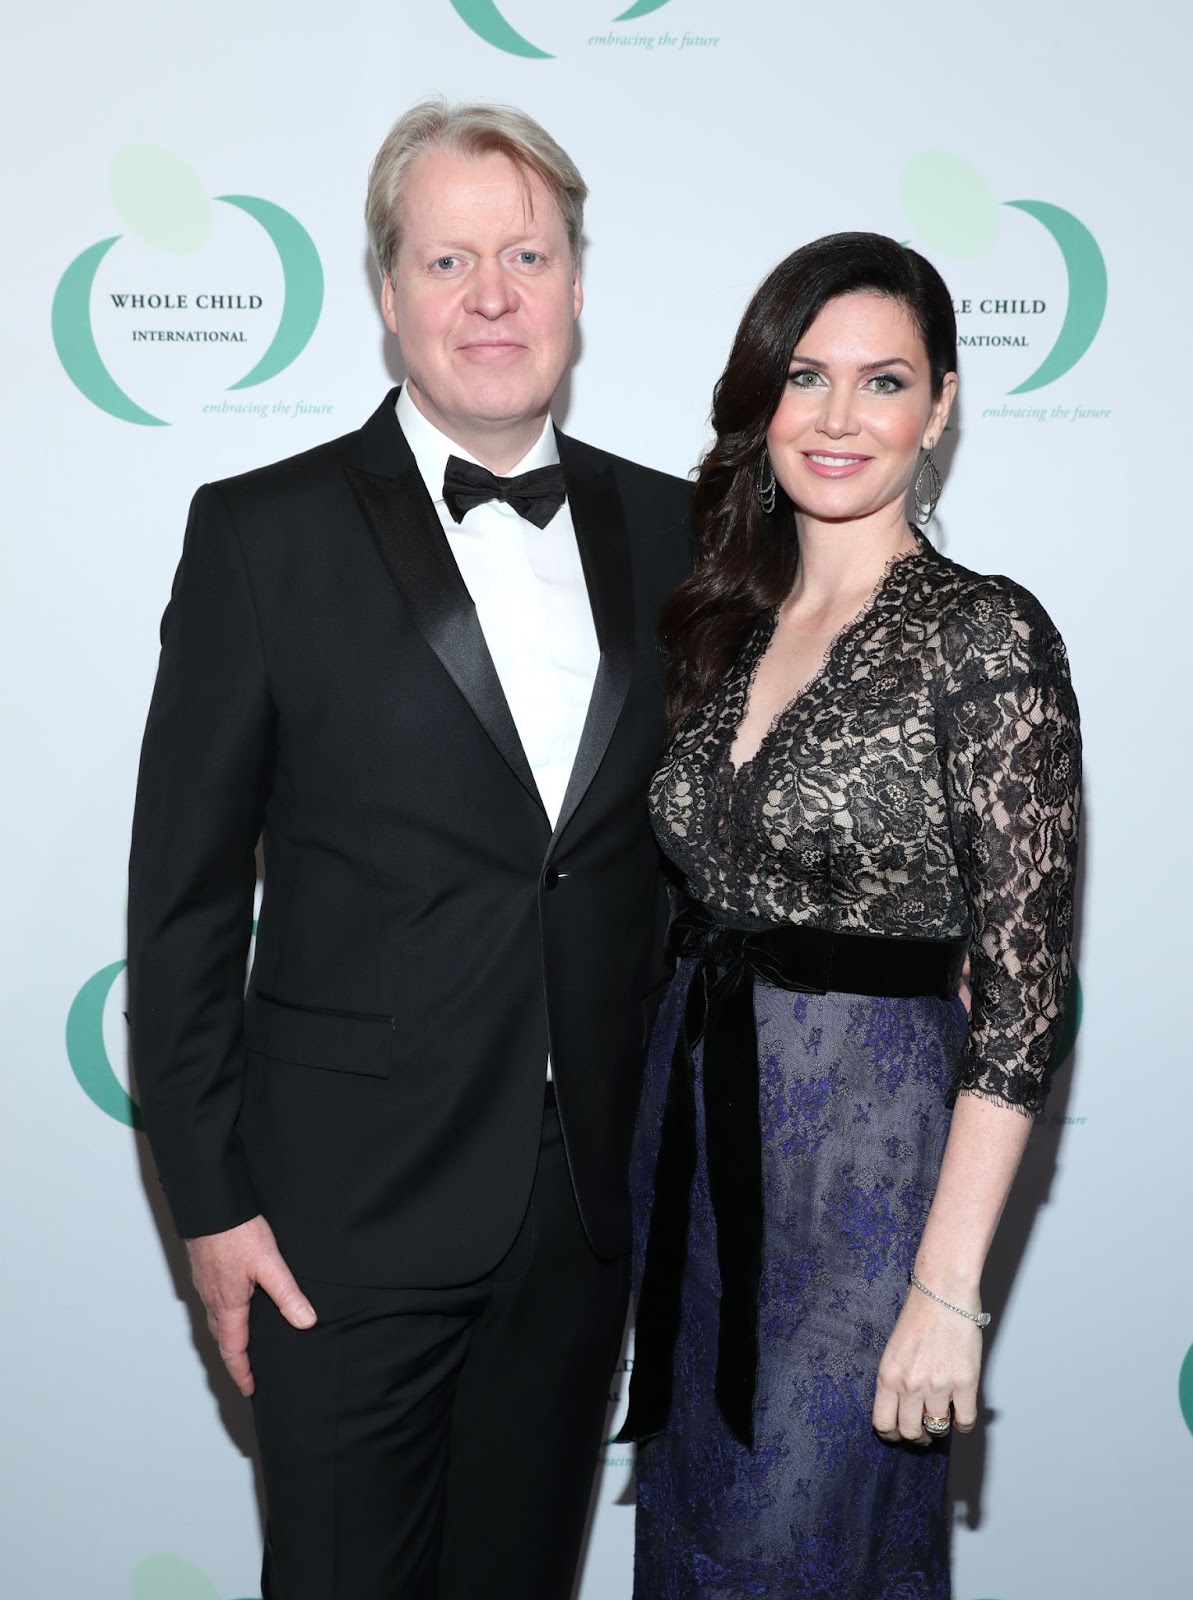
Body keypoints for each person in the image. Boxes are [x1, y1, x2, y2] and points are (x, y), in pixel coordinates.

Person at [127, 101, 690, 1600]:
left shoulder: (685, 536)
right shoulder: (261, 535)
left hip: (579, 1226)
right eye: (448, 258)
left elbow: (714, 855)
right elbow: (179, 909)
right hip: (336, 1229)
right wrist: (213, 1205)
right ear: (387, 295)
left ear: (577, 283)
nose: (490, 294)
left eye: (526, 253)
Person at [619, 232, 1081, 1597]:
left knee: (799, 1548)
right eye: (804, 377)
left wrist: (944, 1290)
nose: (835, 418)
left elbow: (1023, 998)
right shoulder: (723, 625)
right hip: (697, 1151)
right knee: (695, 1543)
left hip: (866, 1175)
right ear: (760, 397)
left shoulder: (983, 633)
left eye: (881, 382)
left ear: (938, 406)